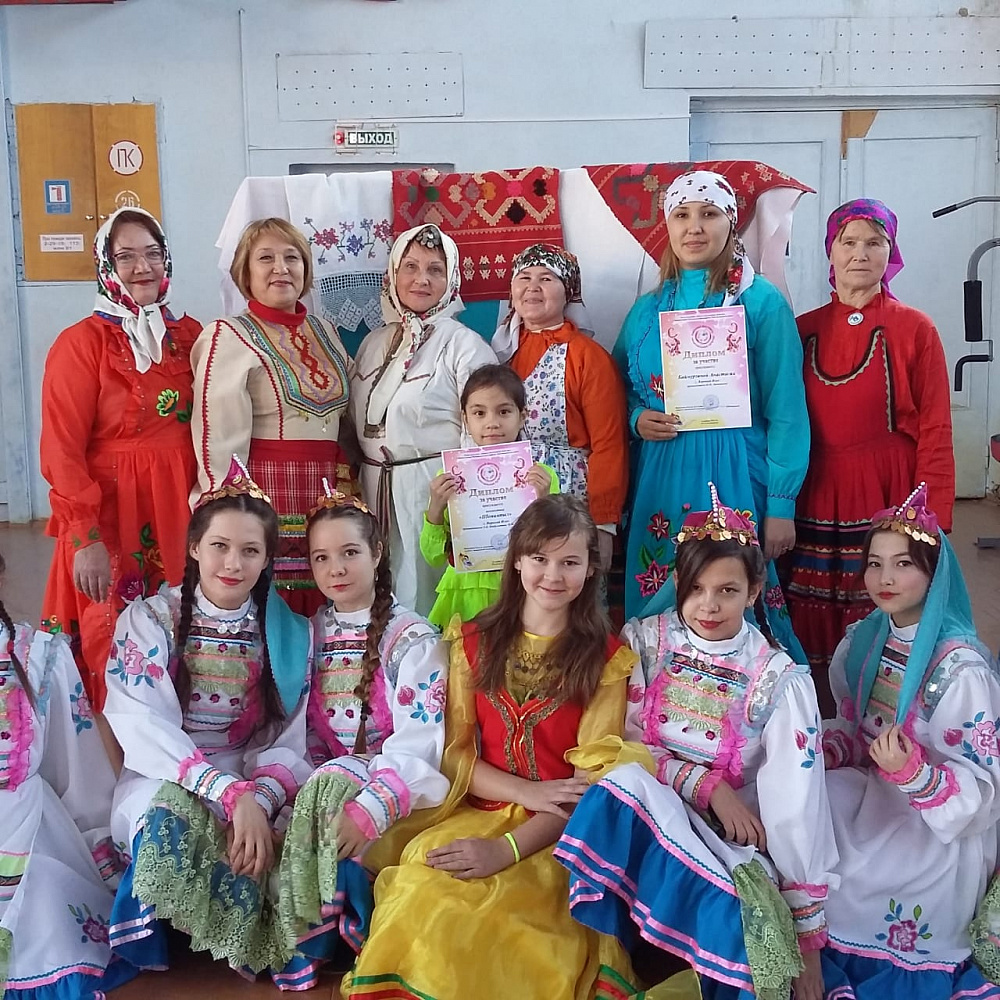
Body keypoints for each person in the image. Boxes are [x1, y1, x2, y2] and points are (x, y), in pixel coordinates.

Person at [341, 495, 645, 1000]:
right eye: (540, 558)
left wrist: (506, 850)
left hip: (554, 837)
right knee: (422, 892)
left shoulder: (607, 661)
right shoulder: (472, 641)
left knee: (506, 926)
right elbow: (455, 754)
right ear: (517, 560)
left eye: (570, 562)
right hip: (475, 809)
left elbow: (585, 788)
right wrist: (525, 792)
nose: (553, 575)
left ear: (591, 569)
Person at [555, 485, 837, 1000]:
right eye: (696, 588)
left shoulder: (776, 679)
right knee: (620, 783)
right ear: (677, 583)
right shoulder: (645, 642)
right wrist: (708, 785)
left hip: (724, 842)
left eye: (727, 590)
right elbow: (621, 743)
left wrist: (808, 939)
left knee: (746, 939)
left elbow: (798, 807)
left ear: (754, 591)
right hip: (647, 815)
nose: (708, 605)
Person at [104, 457, 316, 988]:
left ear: (268, 559)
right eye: (219, 545)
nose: (233, 563)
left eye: (250, 550)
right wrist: (227, 794)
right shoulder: (150, 619)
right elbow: (141, 726)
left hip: (250, 772)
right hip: (164, 771)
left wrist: (259, 798)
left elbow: (289, 738)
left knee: (292, 839)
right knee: (166, 819)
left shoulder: (290, 634)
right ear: (195, 546)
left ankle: (234, 936)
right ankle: (163, 936)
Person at [613, 170, 808, 661]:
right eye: (681, 215)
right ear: (668, 226)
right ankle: (656, 692)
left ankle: (744, 694)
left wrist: (781, 503)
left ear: (731, 223)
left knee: (730, 586)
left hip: (736, 468)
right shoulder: (646, 310)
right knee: (662, 588)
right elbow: (617, 388)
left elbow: (786, 409)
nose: (694, 227)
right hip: (663, 471)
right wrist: (637, 418)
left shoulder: (761, 303)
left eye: (708, 214)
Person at [820, 484, 1000, 1000]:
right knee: (800, 813)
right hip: (876, 789)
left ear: (932, 573)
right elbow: (858, 727)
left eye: (903, 565)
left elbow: (983, 795)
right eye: (875, 565)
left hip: (938, 820)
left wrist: (913, 774)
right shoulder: (864, 641)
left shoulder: (959, 669)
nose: (885, 579)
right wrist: (835, 748)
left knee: (858, 876)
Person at [786, 200, 955, 712]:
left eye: (874, 243)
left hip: (889, 491)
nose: (860, 253)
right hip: (816, 489)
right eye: (849, 242)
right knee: (809, 604)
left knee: (886, 597)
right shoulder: (802, 329)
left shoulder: (915, 328)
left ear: (891, 253)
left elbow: (935, 428)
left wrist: (933, 516)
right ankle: (817, 719)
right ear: (830, 252)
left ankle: (884, 720)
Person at [278, 485, 449, 962]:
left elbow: (421, 740)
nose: (336, 569)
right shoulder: (308, 634)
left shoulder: (411, 638)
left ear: (376, 553)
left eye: (349, 553)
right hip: (322, 781)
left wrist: (371, 805)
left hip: (394, 788)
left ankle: (336, 931)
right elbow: (299, 732)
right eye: (321, 558)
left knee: (332, 785)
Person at [40, 207, 201, 713]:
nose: (143, 267)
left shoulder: (190, 336)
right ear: (106, 266)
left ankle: (178, 741)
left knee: (182, 632)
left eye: (153, 254)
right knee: (109, 636)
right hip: (111, 513)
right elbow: (62, 449)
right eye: (126, 256)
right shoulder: (81, 344)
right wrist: (84, 537)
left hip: (180, 508)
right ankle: (117, 749)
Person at [191, 217, 357, 617]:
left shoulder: (325, 332)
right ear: (245, 272)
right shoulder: (228, 336)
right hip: (267, 493)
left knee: (332, 592)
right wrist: (230, 519)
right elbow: (219, 440)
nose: (281, 268)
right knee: (275, 604)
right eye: (266, 258)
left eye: (292, 258)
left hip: (327, 491)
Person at [0, 552, 133, 999]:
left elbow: (77, 769)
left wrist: (104, 853)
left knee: (47, 920)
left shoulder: (37, 657)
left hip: (29, 835)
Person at [349, 224, 497, 617]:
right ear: (393, 274)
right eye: (410, 267)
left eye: (435, 270)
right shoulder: (374, 343)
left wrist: (467, 514)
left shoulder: (464, 346)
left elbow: (485, 433)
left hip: (430, 493)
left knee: (425, 595)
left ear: (451, 280)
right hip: (373, 488)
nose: (422, 279)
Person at [493, 244, 628, 573]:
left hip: (568, 501)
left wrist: (603, 524)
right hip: (507, 502)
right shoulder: (498, 354)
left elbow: (609, 445)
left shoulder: (588, 357)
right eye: (524, 278)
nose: (533, 287)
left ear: (567, 291)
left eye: (546, 278)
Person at [421, 364, 559, 629]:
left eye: (504, 411)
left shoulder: (542, 476)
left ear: (522, 416)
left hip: (522, 592)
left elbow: (555, 546)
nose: (492, 423)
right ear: (465, 419)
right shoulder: (448, 477)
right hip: (465, 593)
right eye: (479, 413)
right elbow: (433, 556)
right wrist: (436, 508)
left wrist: (543, 501)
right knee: (466, 654)